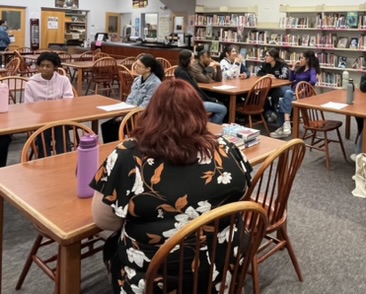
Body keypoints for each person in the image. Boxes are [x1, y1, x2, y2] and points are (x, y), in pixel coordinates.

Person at [91, 79, 253, 293]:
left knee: (112, 245)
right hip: (223, 266)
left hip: (158, 276)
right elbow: (242, 195)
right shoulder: (227, 148)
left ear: (151, 113)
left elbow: (104, 221)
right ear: (199, 113)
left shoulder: (128, 155)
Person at [101, 54, 163, 143]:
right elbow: (130, 98)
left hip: (143, 116)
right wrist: (124, 111)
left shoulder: (155, 83)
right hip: (130, 112)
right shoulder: (137, 79)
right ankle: (113, 150)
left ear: (148, 69)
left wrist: (127, 116)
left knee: (112, 127)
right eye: (136, 64)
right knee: (106, 125)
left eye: (139, 66)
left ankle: (117, 150)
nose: (136, 67)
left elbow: (145, 106)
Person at [270, 51, 319, 138]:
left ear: (307, 59)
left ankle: (283, 127)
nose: (300, 60)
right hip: (293, 92)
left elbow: (313, 81)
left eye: (302, 58)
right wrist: (293, 67)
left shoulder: (312, 70)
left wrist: (303, 89)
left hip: (303, 96)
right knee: (284, 97)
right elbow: (291, 79)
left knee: (285, 97)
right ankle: (285, 126)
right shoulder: (301, 68)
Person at [175, 49, 227, 124]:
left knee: (221, 102)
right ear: (187, 60)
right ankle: (213, 127)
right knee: (223, 108)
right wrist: (209, 68)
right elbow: (204, 82)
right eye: (192, 59)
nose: (193, 60)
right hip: (192, 102)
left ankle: (210, 125)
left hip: (197, 98)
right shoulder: (184, 72)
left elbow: (218, 79)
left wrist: (218, 68)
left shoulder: (187, 70)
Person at [256, 48, 289, 122]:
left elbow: (286, 76)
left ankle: (275, 113)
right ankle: (269, 112)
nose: (265, 57)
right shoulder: (265, 64)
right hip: (268, 86)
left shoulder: (282, 64)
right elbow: (258, 73)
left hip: (280, 87)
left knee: (275, 94)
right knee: (260, 94)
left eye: (267, 56)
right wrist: (267, 75)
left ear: (273, 57)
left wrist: (275, 77)